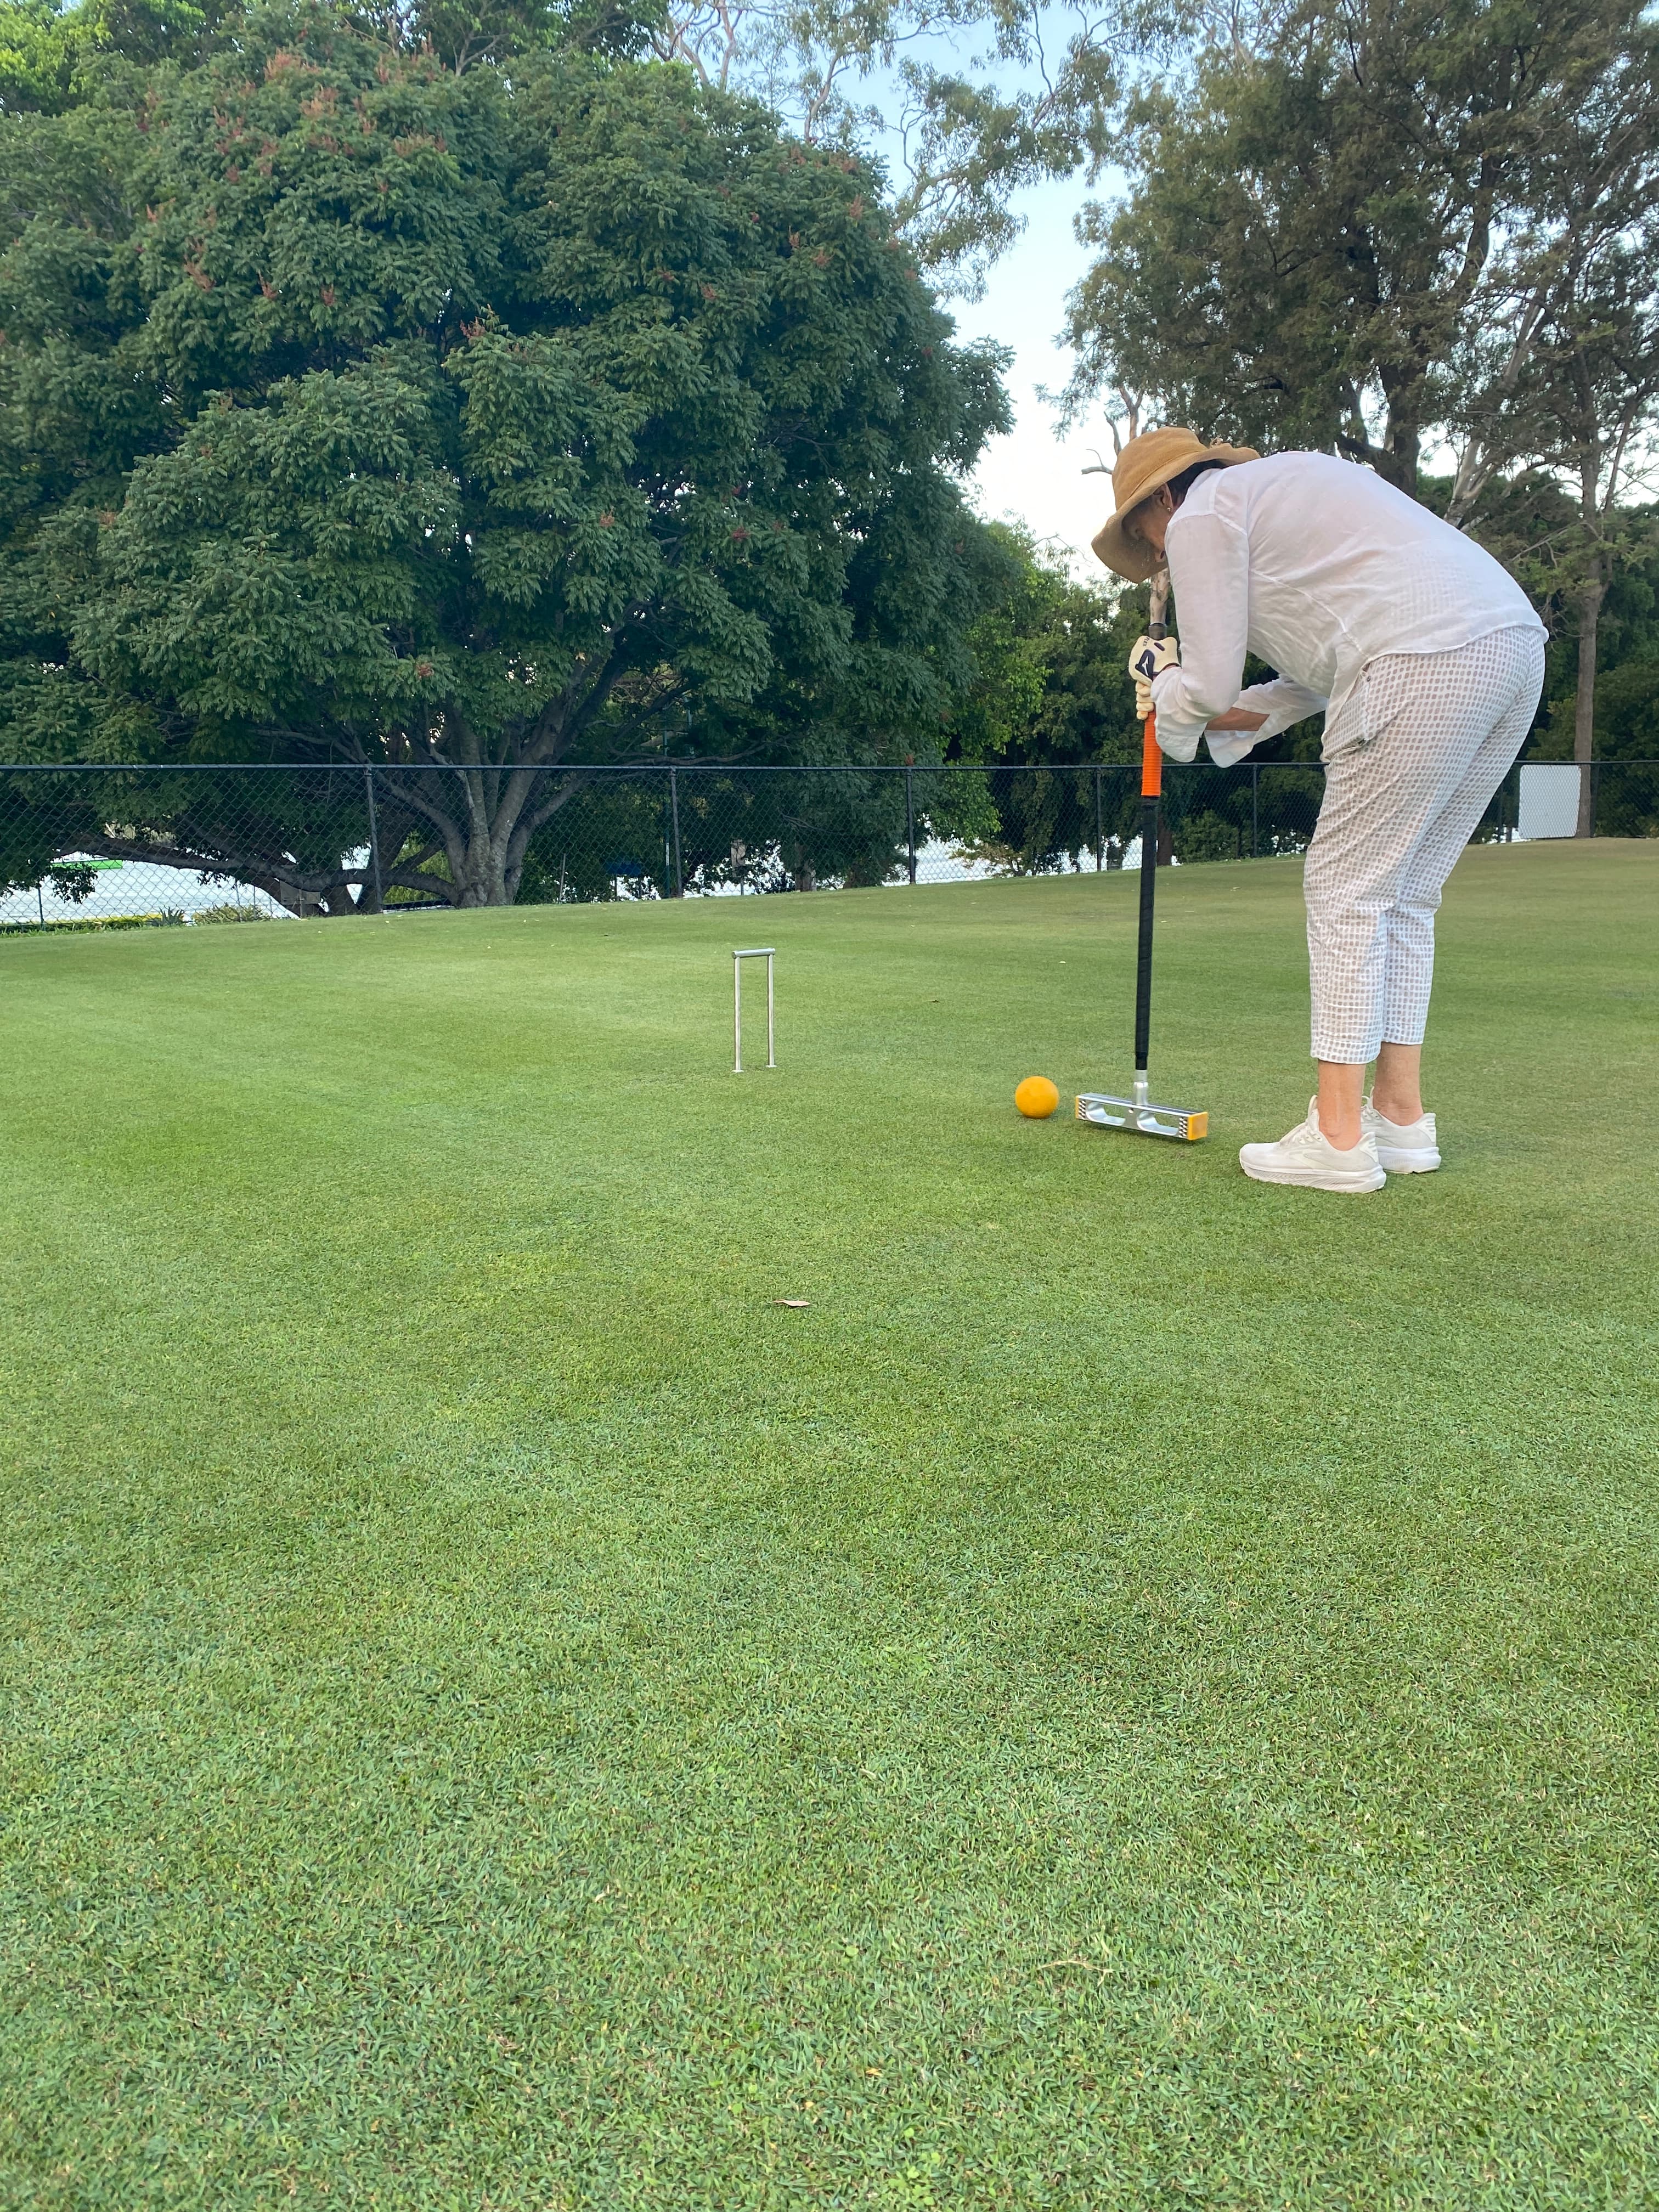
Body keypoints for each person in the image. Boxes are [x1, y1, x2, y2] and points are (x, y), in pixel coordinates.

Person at [1091, 427, 1546, 1194]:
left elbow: (1202, 685)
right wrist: (1206, 709)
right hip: (1510, 648)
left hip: (1418, 660)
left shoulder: (1204, 512)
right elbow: (1312, 671)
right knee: (1406, 896)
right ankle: (1400, 1121)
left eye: (1149, 536)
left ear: (1165, 495)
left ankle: (1337, 1137)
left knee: (1344, 893)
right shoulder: (1288, 492)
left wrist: (1168, 696)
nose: (1162, 555)